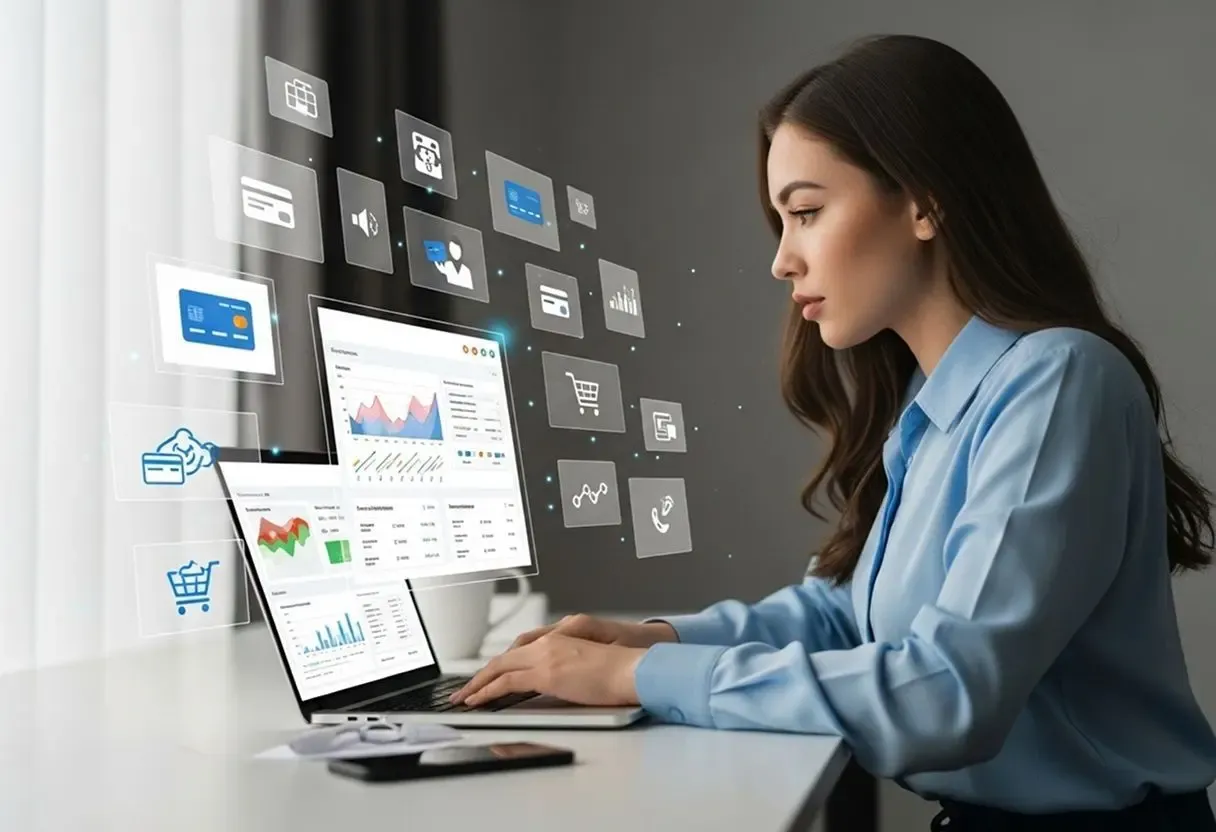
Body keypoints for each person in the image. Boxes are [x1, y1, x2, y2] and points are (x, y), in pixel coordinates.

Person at [451, 33, 1216, 830]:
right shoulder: (934, 405)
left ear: (923, 201)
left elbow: (948, 695)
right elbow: (843, 616)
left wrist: (636, 679)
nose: (783, 260)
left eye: (807, 213)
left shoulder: (1057, 381)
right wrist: (647, 640)